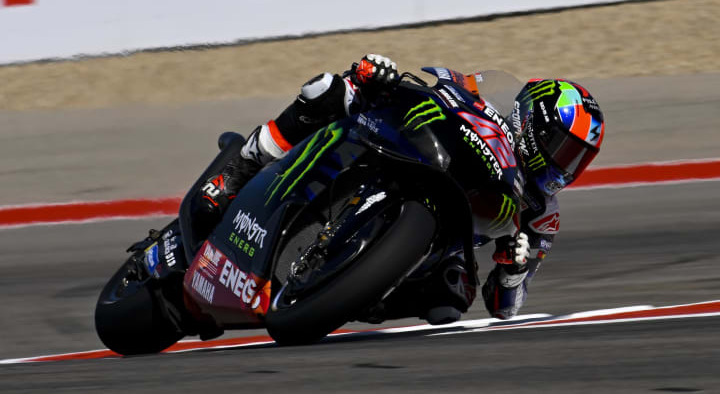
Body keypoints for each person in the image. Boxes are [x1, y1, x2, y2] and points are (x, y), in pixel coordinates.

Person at [191, 54, 605, 324]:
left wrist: (514, 270)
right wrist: (378, 76)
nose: (564, 164)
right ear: (534, 121)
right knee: (333, 90)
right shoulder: (483, 100)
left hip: (437, 243)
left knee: (453, 297)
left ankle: (361, 289)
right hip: (414, 153)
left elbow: (505, 307)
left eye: (577, 159)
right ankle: (243, 166)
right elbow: (440, 88)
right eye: (562, 148)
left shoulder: (541, 214)